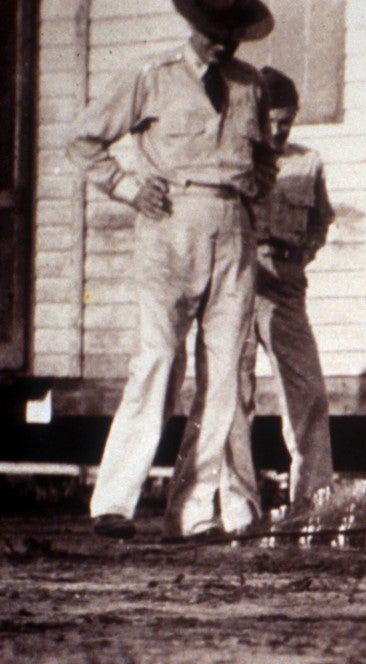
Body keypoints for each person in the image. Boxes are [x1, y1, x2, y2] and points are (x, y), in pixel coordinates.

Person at [67, 0, 275, 541]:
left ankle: (191, 511)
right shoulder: (151, 78)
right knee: (159, 359)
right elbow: (84, 139)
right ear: (193, 24)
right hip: (169, 225)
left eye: (230, 34)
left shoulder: (251, 84)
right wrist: (129, 187)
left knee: (224, 371)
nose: (221, 43)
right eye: (212, 31)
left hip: (234, 228)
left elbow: (265, 160)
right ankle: (113, 502)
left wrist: (257, 195)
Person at [225, 66, 335, 515]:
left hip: (285, 286)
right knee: (233, 395)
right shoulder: (231, 158)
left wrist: (297, 260)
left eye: (286, 120)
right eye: (270, 119)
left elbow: (322, 220)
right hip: (237, 283)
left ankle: (311, 508)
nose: (278, 128)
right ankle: (237, 511)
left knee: (307, 392)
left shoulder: (308, 161)